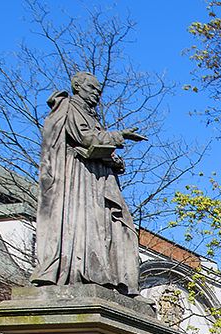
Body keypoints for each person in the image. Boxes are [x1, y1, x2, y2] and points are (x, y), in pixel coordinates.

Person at [31, 71, 146, 294]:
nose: (96, 94)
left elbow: (95, 143)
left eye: (99, 91)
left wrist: (113, 161)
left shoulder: (90, 115)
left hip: (96, 177)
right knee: (85, 222)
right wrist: (120, 135)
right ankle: (83, 271)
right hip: (78, 179)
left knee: (112, 227)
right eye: (92, 88)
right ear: (77, 86)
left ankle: (106, 275)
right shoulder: (68, 107)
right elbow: (85, 138)